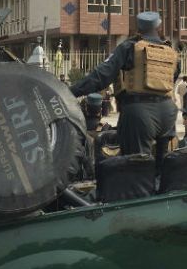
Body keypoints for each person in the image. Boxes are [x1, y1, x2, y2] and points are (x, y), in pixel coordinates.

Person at [70, 12, 180, 171]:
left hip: (139, 113)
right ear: (159, 27)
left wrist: (71, 91)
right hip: (168, 112)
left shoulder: (129, 47)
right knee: (163, 167)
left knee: (137, 168)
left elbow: (101, 76)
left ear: (138, 29)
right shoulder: (170, 51)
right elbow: (172, 78)